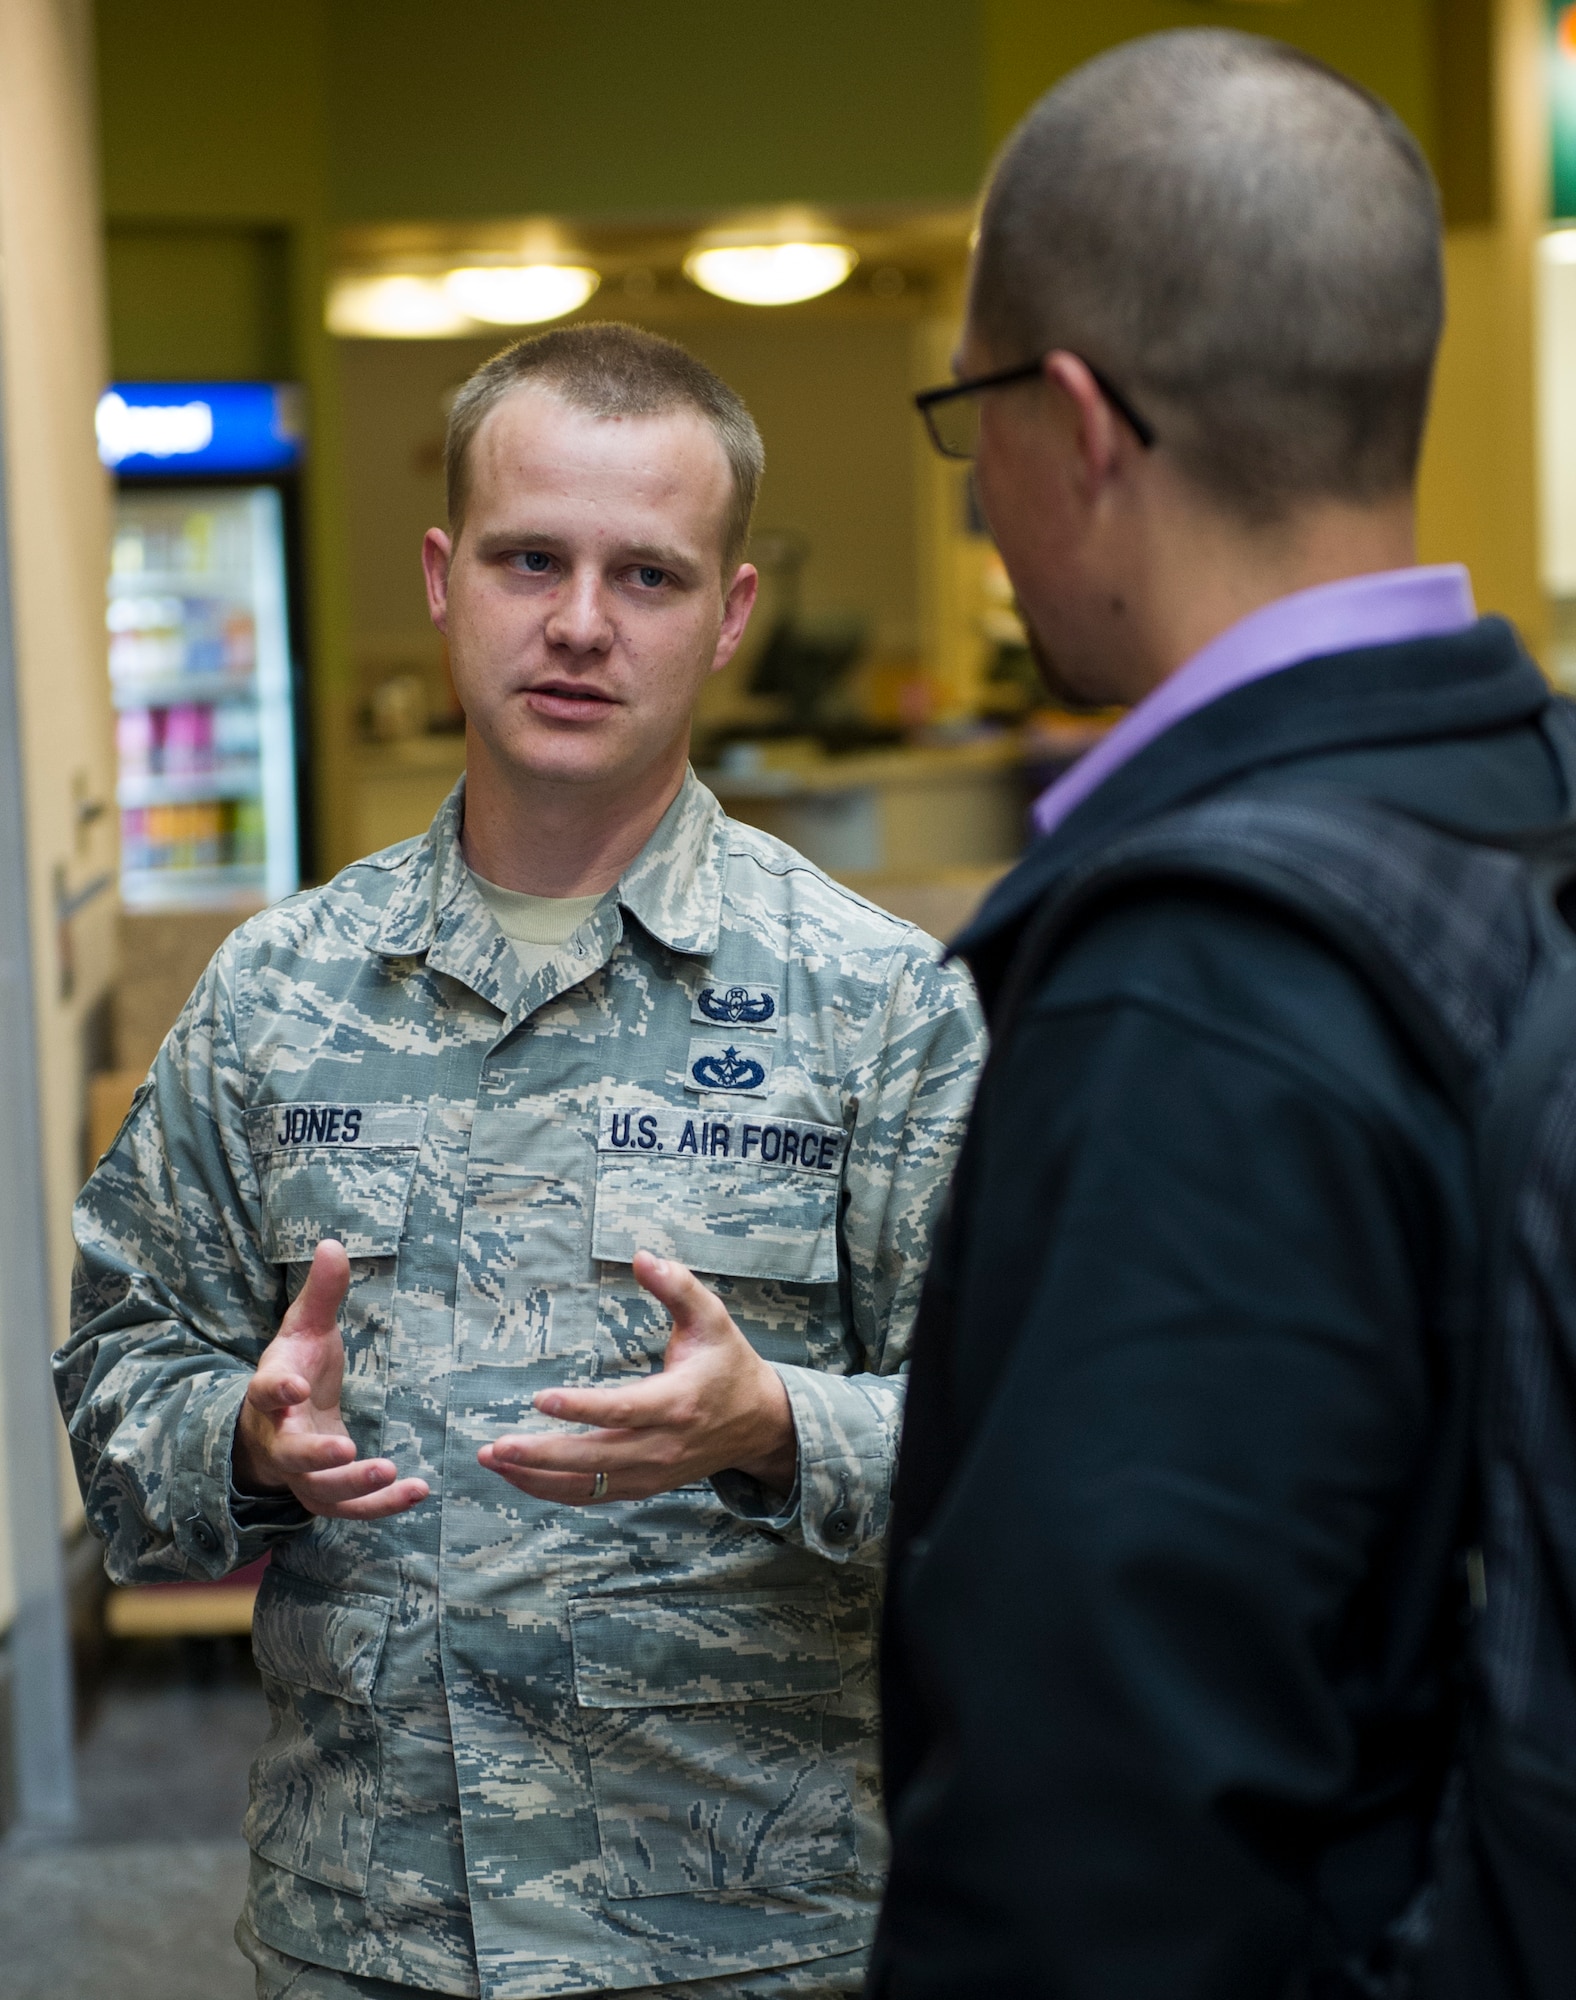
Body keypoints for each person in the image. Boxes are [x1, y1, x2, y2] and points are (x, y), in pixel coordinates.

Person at [57, 322, 983, 2000]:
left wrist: (780, 1426)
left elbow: (1026, 1449)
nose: (577, 622)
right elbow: (117, 1384)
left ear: (732, 614)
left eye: (646, 574)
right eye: (528, 558)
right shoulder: (276, 998)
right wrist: (247, 1444)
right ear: (441, 575)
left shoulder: (880, 1008)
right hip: (372, 1933)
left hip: (746, 1941)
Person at [870, 29, 1566, 2000]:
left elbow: (1098, 1845)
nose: (986, 493)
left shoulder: (1199, 988)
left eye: (969, 412)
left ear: (1073, 423)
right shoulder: (1526, 799)